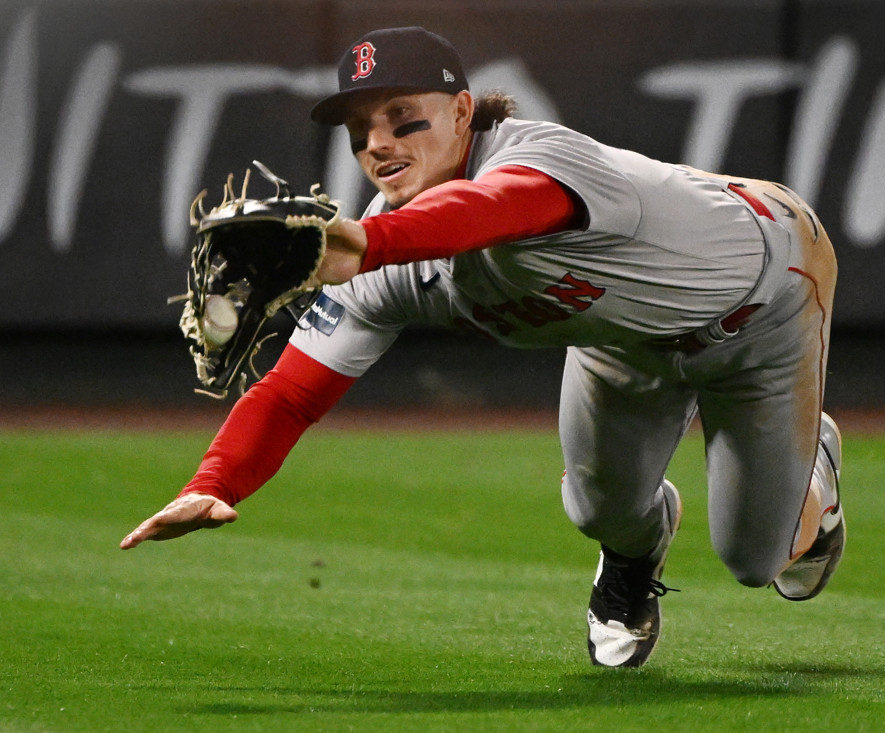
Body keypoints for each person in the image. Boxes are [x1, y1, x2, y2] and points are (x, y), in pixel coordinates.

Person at [121, 26, 845, 668]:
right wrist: (212, 482)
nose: (379, 142)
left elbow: (495, 210)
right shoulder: (380, 249)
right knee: (600, 508)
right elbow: (291, 392)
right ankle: (630, 557)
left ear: (463, 112)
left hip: (762, 303)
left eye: (405, 118)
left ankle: (818, 471)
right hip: (620, 337)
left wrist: (367, 243)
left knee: (758, 558)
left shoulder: (538, 156)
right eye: (361, 129)